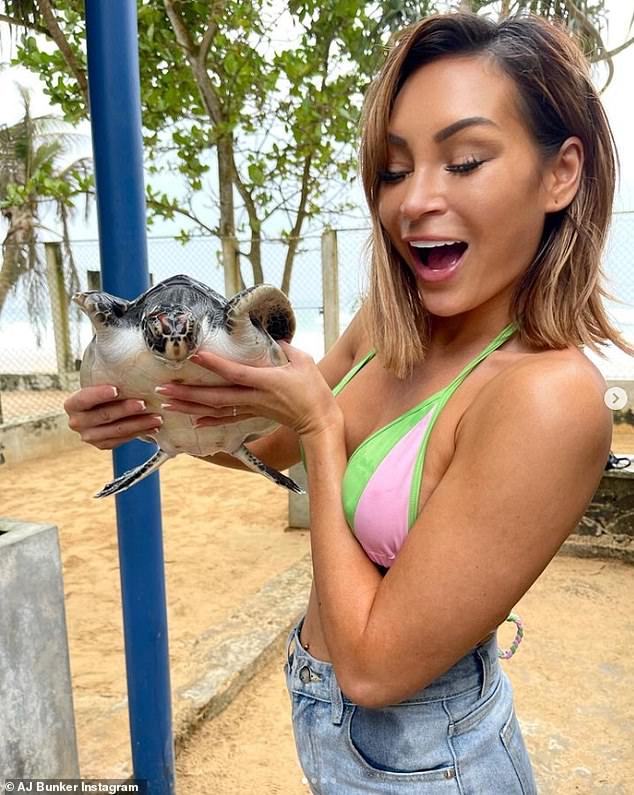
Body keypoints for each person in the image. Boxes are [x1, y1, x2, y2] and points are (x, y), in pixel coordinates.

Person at [65, 11, 633, 794]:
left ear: (561, 172)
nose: (414, 201)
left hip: (432, 761)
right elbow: (268, 442)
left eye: (465, 161)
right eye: (396, 169)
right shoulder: (388, 325)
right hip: (332, 730)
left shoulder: (550, 398)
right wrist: (149, 413)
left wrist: (321, 423)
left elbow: (372, 665)